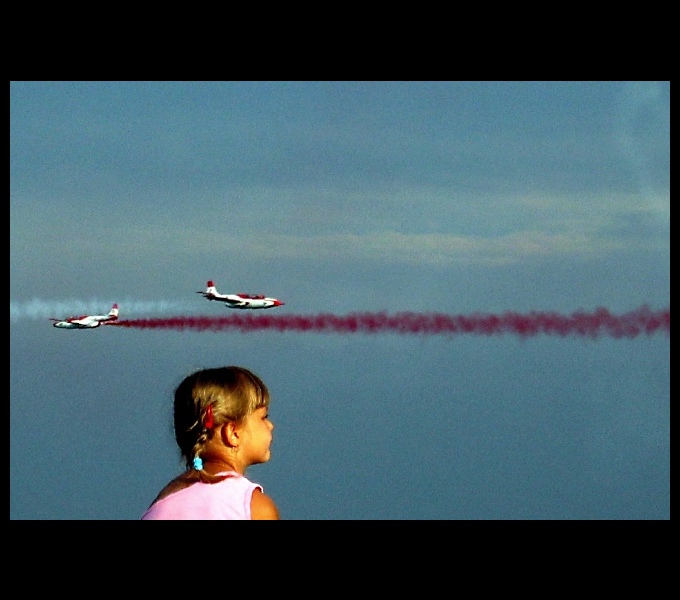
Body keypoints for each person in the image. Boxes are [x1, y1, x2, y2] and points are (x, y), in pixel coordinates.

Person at [142, 365, 280, 520]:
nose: (270, 425)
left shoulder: (160, 505)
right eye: (263, 417)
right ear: (233, 433)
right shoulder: (253, 507)